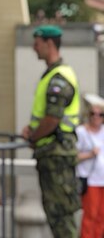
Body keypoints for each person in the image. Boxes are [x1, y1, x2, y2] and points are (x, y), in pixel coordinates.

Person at [21, 25, 81, 238]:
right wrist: (33, 130)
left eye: (37, 44)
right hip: (53, 155)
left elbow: (52, 119)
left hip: (57, 155)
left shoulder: (58, 78)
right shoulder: (53, 74)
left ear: (49, 44)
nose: (33, 48)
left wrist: (33, 136)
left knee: (61, 218)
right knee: (57, 216)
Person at [75, 94, 104, 237]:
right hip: (90, 179)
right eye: (93, 113)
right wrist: (90, 154)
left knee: (101, 217)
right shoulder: (81, 132)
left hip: (103, 179)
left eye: (100, 114)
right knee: (90, 215)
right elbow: (73, 156)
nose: (96, 117)